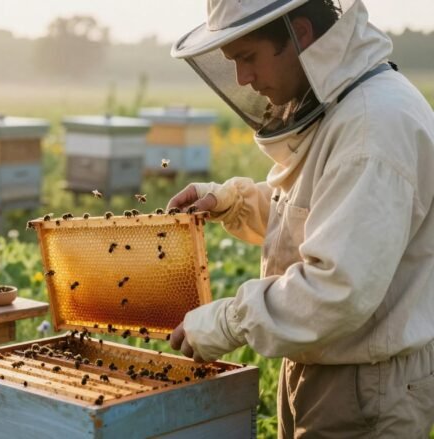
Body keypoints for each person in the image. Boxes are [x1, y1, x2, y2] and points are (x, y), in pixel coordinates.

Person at [166, 0, 434, 437]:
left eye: (248, 57)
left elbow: (337, 288)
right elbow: (323, 216)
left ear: (302, 34)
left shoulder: (373, 126)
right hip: (336, 369)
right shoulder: (347, 107)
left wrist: (230, 320)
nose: (242, 79)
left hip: (365, 387)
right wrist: (233, 202)